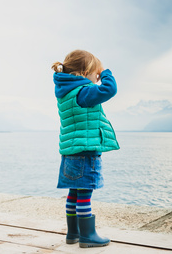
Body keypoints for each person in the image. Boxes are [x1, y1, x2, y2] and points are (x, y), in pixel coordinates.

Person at [51, 49, 120, 248]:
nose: (96, 79)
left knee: (74, 192)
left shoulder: (65, 92)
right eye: (95, 74)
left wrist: (97, 73)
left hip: (70, 153)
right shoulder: (84, 91)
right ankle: (88, 236)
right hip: (85, 152)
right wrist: (106, 73)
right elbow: (110, 90)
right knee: (85, 194)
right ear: (83, 73)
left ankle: (73, 234)